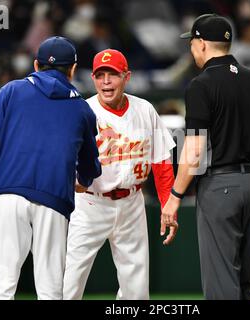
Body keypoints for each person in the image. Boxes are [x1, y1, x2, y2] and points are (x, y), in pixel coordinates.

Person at [162, 14, 250, 300]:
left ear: (201, 44)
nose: (191, 49)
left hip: (221, 186)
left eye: (192, 43)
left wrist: (175, 197)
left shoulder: (201, 85)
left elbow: (194, 150)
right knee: (242, 284)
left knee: (221, 286)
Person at [0, 36, 102, 300]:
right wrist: (83, 179)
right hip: (54, 198)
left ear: (36, 65)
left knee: (3, 282)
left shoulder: (11, 90)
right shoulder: (82, 108)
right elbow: (90, 166)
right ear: (73, 69)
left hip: (9, 195)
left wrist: (10, 171)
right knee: (50, 287)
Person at [62, 49, 176, 300]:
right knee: (69, 279)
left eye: (112, 75)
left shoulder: (144, 109)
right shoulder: (82, 110)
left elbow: (161, 161)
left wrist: (168, 204)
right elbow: (61, 157)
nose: (105, 82)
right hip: (90, 203)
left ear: (127, 77)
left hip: (132, 203)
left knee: (136, 287)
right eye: (99, 75)